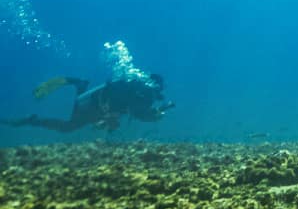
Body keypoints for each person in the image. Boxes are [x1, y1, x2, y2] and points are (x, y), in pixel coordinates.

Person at [2, 73, 173, 133]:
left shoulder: (137, 90)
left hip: (98, 103)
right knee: (68, 127)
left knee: (69, 125)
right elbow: (138, 112)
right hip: (94, 105)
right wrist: (155, 116)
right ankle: (32, 120)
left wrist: (108, 121)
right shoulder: (145, 94)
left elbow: (125, 109)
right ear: (157, 86)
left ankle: (80, 85)